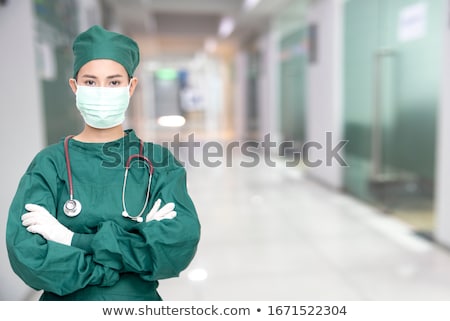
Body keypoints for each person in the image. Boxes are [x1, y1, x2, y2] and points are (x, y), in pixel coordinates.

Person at [6, 25, 201, 301]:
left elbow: (176, 246)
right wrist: (133, 245)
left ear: (131, 87)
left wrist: (72, 239)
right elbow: (27, 254)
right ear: (75, 87)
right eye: (90, 82)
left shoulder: (157, 162)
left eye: (113, 82)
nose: (101, 91)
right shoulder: (49, 164)